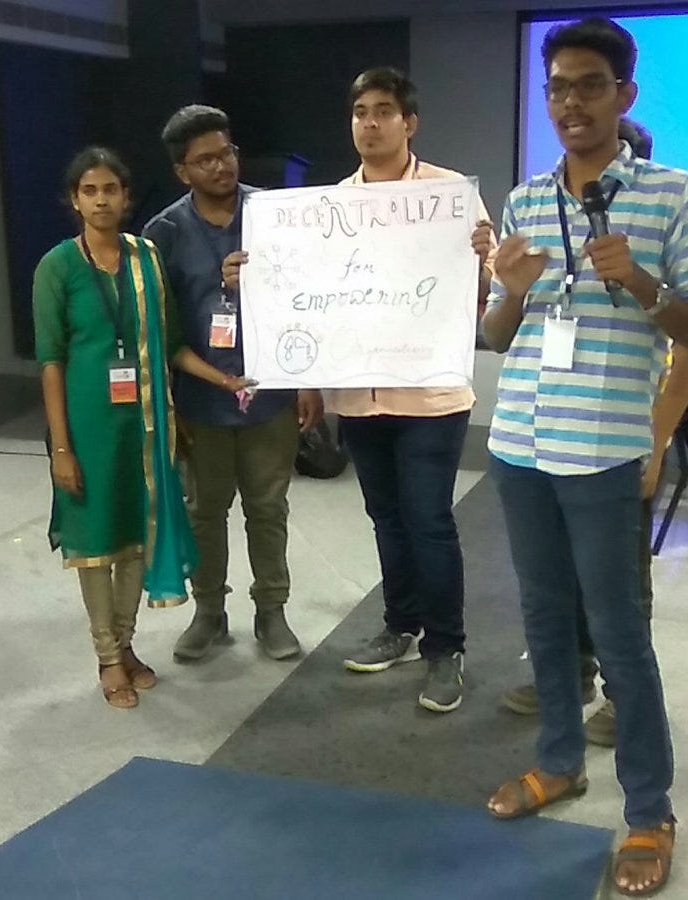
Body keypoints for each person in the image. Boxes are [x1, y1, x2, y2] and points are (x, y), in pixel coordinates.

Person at [481, 17, 688, 897]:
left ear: (625, 94)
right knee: (544, 617)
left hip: (603, 450)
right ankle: (558, 762)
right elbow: (498, 335)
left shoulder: (673, 195)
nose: (569, 102)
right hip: (520, 442)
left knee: (619, 635)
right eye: (556, 87)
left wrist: (642, 283)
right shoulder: (525, 199)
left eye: (588, 84)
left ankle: (650, 811)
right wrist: (509, 294)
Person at [227, 67, 495, 712]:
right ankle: (401, 626)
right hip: (359, 397)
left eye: (383, 111)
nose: (370, 123)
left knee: (429, 520)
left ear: (410, 123)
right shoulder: (329, 208)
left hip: (429, 397)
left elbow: (484, 293)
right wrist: (252, 281)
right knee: (386, 519)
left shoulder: (449, 198)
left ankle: (446, 648)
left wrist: (482, 261)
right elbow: (311, 300)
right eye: (360, 112)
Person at [34, 147, 244, 709]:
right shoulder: (58, 266)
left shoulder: (146, 257)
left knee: (134, 539)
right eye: (90, 191)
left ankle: (124, 647)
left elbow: (172, 344)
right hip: (87, 430)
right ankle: (107, 657)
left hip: (146, 428)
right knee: (94, 543)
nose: (101, 200)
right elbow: (50, 362)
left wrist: (223, 380)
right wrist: (60, 448)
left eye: (111, 189)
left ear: (126, 198)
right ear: (75, 200)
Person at [143, 106, 320, 664]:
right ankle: (209, 612)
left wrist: (307, 381)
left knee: (268, 509)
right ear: (182, 171)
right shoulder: (163, 234)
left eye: (227, 153)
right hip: (202, 400)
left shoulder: (273, 214)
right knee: (205, 511)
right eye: (206, 160)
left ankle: (272, 611)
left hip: (272, 393)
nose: (221, 166)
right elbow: (163, 330)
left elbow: (307, 300)